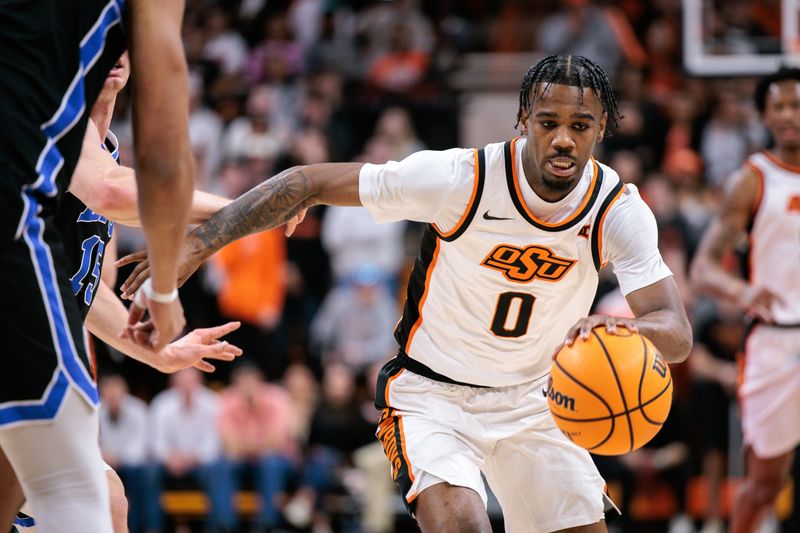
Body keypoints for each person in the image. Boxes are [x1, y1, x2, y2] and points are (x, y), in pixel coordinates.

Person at [119, 54, 693, 533]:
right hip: (433, 395)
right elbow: (307, 183)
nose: (563, 139)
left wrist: (625, 328)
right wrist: (195, 246)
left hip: (537, 399)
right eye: (548, 122)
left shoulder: (617, 210)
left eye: (581, 125)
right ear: (523, 119)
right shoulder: (462, 180)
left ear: (602, 127)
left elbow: (676, 332)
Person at [6, 50, 244, 533]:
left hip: (35, 355)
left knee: (103, 501)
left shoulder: (107, 150)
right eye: (100, 38)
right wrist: (246, 210)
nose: (113, 52)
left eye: (123, 40)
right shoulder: (52, 120)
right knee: (94, 499)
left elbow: (85, 291)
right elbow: (112, 193)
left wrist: (161, 353)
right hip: (16, 347)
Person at [691, 66, 800, 533]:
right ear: (764, 115)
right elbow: (702, 268)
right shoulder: (753, 179)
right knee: (765, 483)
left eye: (796, 105)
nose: (789, 115)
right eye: (779, 106)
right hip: (773, 341)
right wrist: (744, 290)